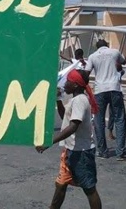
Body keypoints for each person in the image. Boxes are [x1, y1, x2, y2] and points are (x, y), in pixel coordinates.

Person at [36, 70, 102, 209]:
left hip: (81, 153)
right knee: (60, 184)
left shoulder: (80, 101)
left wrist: (49, 142)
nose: (65, 83)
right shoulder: (75, 99)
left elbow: (73, 126)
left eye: (68, 81)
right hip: (70, 151)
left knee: (89, 189)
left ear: (76, 85)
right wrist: (58, 99)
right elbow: (65, 117)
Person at [84, 39, 126, 160]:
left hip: (100, 90)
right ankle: (120, 152)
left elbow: (86, 74)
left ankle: (102, 151)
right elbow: (123, 62)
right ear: (107, 45)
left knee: (99, 121)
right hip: (115, 88)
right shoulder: (114, 52)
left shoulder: (92, 56)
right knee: (119, 119)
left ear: (97, 47)